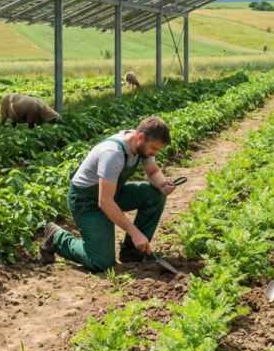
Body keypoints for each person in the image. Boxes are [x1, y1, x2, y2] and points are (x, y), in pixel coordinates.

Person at [39, 116, 176, 272]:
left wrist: (161, 184)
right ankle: (56, 237)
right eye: (154, 149)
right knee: (102, 263)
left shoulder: (142, 145)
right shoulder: (113, 153)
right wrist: (134, 233)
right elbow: (105, 202)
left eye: (158, 149)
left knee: (155, 194)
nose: (156, 154)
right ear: (140, 137)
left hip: (110, 194)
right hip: (87, 201)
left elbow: (153, 172)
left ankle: (132, 251)